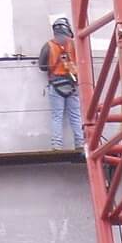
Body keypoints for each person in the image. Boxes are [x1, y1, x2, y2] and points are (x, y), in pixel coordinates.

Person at [37, 15, 83, 151]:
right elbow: (82, 61)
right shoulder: (74, 44)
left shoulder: (49, 45)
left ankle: (57, 145)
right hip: (72, 84)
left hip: (55, 85)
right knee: (75, 115)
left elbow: (42, 66)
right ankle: (80, 143)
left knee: (57, 116)